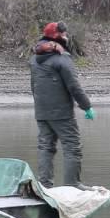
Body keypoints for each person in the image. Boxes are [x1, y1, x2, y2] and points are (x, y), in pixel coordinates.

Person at [29, 21, 95, 190]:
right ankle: (73, 184)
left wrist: (40, 108)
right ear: (58, 37)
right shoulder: (62, 59)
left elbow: (33, 87)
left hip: (42, 112)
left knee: (45, 147)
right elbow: (73, 86)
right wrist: (87, 106)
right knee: (72, 146)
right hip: (62, 114)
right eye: (64, 34)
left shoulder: (34, 60)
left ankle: (45, 186)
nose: (67, 37)